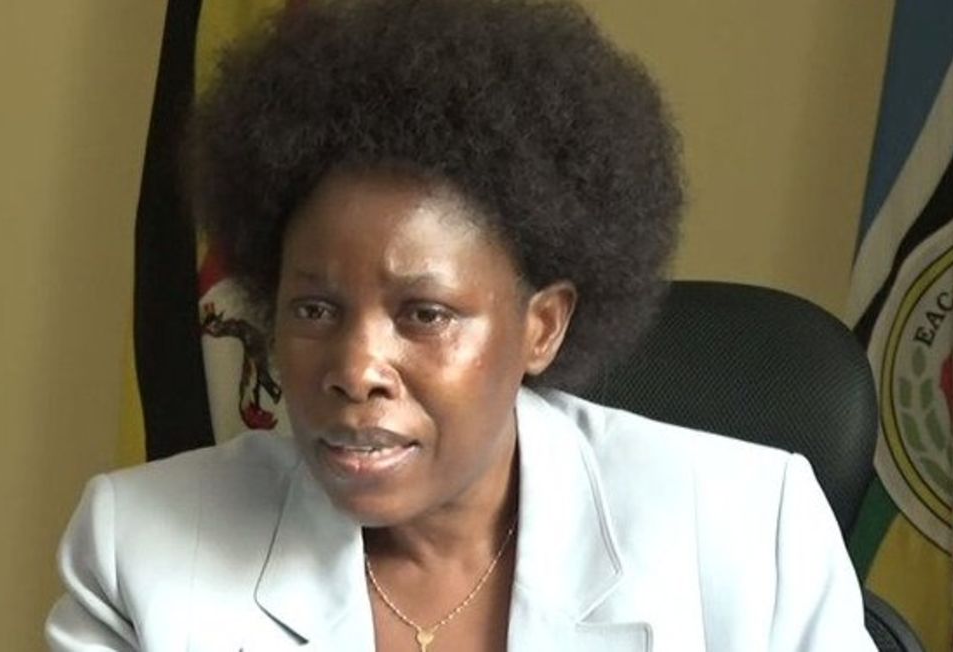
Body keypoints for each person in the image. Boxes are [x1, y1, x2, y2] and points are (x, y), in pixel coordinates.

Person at [46, 0, 876, 650]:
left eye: (425, 315)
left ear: (542, 327)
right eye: (315, 309)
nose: (356, 367)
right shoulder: (143, 550)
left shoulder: (748, 534)